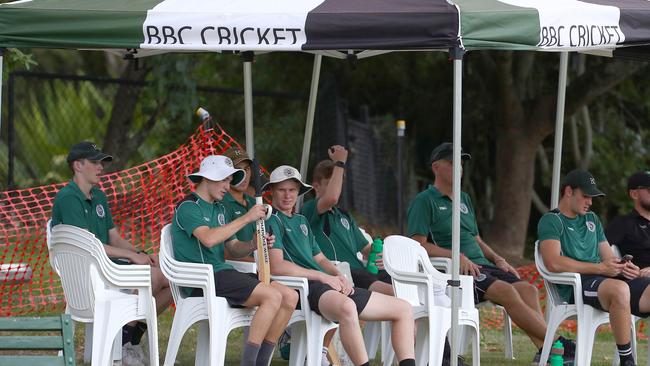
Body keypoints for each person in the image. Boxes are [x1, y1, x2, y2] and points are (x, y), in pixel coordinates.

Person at [407, 142, 574, 364]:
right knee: (507, 292)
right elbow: (418, 245)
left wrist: (498, 258)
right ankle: (558, 344)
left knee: (528, 289)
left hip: (481, 266)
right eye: (452, 163)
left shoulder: (464, 199)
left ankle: (544, 351)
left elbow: (476, 237)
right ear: (436, 167)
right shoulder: (424, 201)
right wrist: (454, 256)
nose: (459, 168)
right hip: (454, 273)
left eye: (461, 163)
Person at [264, 165, 416, 366]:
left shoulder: (301, 220)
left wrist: (339, 274)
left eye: (292, 190)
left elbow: (319, 259)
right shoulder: (270, 220)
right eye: (282, 190)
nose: (287, 195)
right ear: (272, 191)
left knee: (403, 308)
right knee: (347, 307)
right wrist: (322, 277)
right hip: (303, 287)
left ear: (298, 192)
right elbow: (276, 266)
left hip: (328, 286)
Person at [52, 141, 172, 366]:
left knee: (172, 280)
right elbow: (89, 246)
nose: (101, 167)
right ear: (78, 165)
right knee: (156, 278)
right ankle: (126, 345)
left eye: (101, 163)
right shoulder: (69, 198)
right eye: (95, 162)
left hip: (107, 267)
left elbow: (113, 237)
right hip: (89, 274)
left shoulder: (99, 196)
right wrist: (132, 258)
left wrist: (139, 253)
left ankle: (130, 340)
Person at [171, 155, 298, 366]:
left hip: (222, 275)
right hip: (203, 280)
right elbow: (209, 239)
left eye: (230, 180)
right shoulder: (188, 206)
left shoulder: (219, 208)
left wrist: (254, 244)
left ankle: (261, 362)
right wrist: (247, 217)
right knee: (272, 297)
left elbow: (233, 248)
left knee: (289, 296)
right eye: (224, 180)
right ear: (208, 178)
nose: (228, 186)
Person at [538, 169, 650, 366]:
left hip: (603, 281)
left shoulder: (592, 220)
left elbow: (608, 257)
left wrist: (624, 267)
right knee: (620, 289)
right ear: (569, 191)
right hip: (577, 286)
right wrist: (600, 268)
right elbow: (553, 262)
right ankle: (627, 360)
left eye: (592, 197)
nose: (590, 202)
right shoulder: (551, 220)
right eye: (586, 196)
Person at [607, 170, 650, 272]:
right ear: (634, 194)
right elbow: (600, 254)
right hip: (639, 281)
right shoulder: (622, 224)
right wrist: (624, 269)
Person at [221, 147, 257, 263]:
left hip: (261, 269)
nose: (244, 175)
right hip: (238, 270)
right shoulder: (220, 204)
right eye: (238, 170)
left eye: (247, 169)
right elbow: (223, 253)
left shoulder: (254, 203)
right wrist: (260, 265)